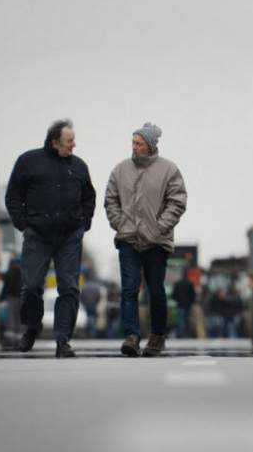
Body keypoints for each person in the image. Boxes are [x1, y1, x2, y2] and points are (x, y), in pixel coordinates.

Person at [5, 119, 96, 358]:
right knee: (32, 286)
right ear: (55, 142)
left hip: (69, 237)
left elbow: (89, 196)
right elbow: (13, 196)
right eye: (69, 141)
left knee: (69, 288)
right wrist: (23, 224)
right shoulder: (28, 162)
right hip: (38, 236)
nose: (74, 145)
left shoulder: (79, 166)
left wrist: (84, 223)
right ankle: (31, 327)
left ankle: (63, 340)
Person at [105, 123, 187, 357]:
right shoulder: (120, 170)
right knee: (129, 289)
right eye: (133, 142)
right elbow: (111, 199)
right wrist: (119, 223)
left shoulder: (169, 170)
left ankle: (157, 336)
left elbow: (178, 201)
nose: (134, 147)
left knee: (156, 290)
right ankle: (131, 336)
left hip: (156, 242)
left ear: (150, 145)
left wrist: (160, 227)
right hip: (128, 239)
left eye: (139, 143)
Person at [0, 257, 23, 343]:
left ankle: (11, 333)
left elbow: (6, 286)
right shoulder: (23, 272)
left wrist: (1, 298)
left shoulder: (9, 273)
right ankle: (20, 333)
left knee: (11, 315)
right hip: (21, 297)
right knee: (20, 315)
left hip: (12, 297)